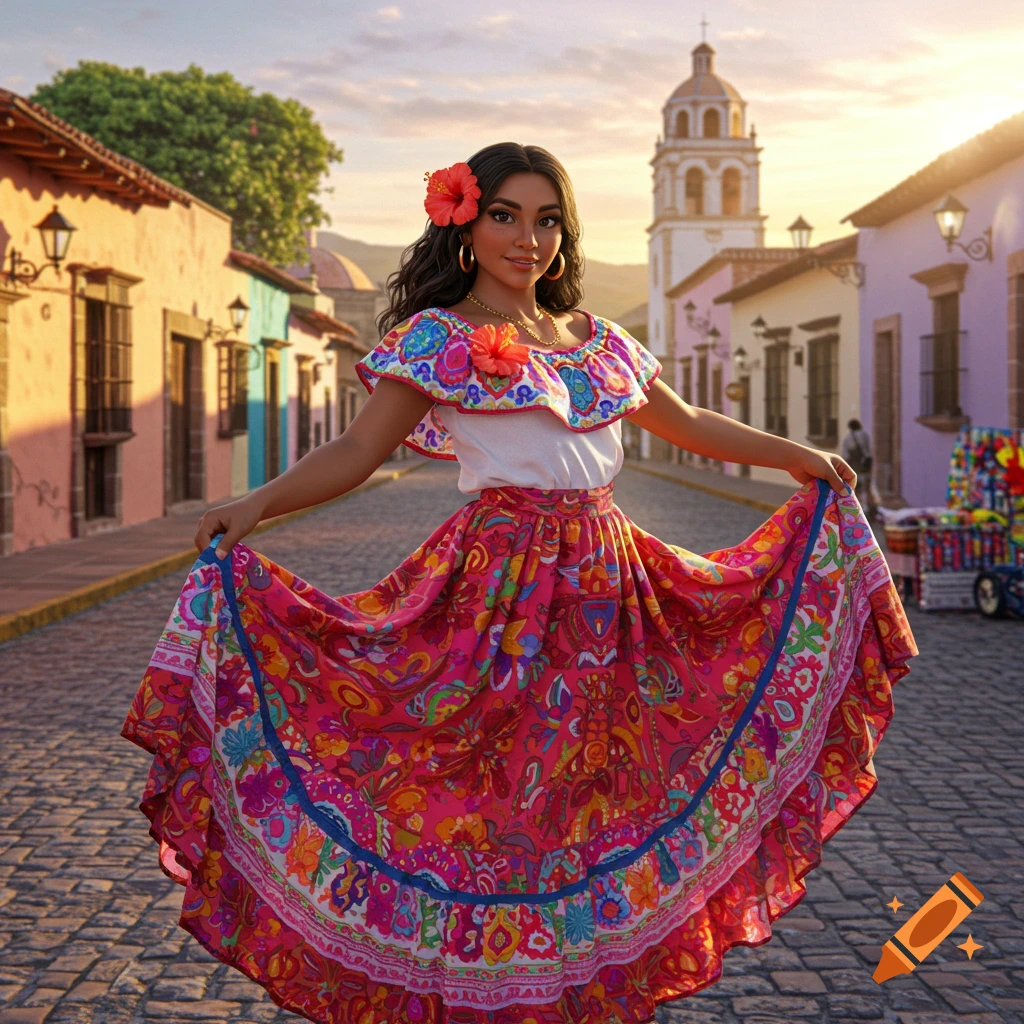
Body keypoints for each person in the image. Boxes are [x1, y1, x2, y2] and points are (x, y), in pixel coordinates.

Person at [122, 143, 919, 1024]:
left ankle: (567, 992)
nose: (526, 239)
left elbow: (688, 422)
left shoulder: (600, 343)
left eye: (546, 221)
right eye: (505, 215)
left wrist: (798, 458)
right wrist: (259, 503)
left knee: (591, 809)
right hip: (496, 610)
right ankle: (479, 993)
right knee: (492, 811)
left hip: (616, 604)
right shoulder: (438, 340)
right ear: (466, 223)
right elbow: (356, 451)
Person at [841, 418, 876, 519]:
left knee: (856, 489)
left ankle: (856, 509)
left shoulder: (847, 438)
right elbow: (869, 452)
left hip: (853, 467)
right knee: (867, 487)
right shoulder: (865, 435)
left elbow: (845, 456)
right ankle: (868, 509)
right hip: (865, 467)